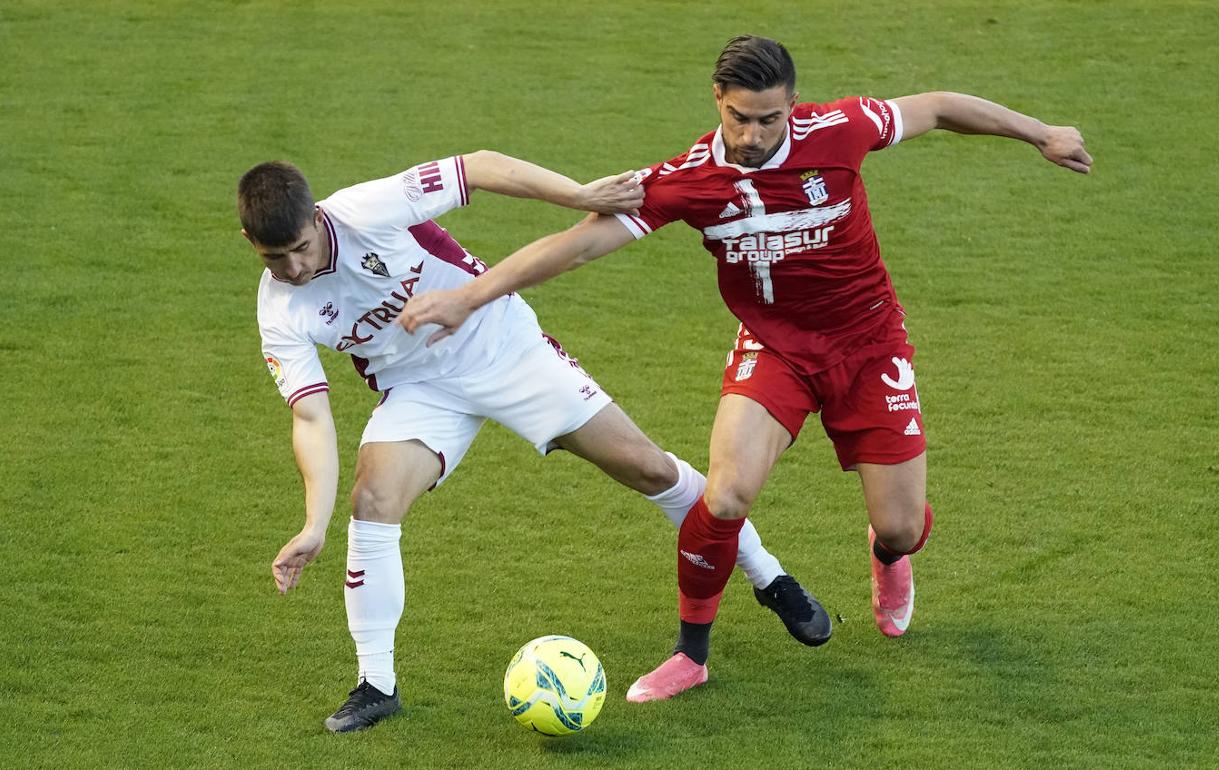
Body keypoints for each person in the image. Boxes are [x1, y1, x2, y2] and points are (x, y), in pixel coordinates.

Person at [395, 35, 1093, 702]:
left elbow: (937, 106)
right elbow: (576, 248)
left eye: (769, 119)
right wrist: (467, 296)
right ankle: (689, 656)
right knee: (725, 495)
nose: (754, 135)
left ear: (793, 104)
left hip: (869, 344)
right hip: (775, 347)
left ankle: (889, 554)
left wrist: (1041, 132)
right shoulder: (688, 181)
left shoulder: (842, 129)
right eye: (739, 118)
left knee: (903, 525)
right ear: (716, 101)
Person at [238, 149, 833, 732]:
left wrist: (578, 195)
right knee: (371, 504)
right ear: (250, 244)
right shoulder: (280, 309)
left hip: (502, 346)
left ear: (317, 219)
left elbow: (478, 166)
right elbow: (311, 418)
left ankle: (770, 578)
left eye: (300, 249)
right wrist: (314, 524)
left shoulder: (365, 209)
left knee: (648, 469)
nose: (293, 268)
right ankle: (377, 686)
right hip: (420, 389)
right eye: (275, 258)